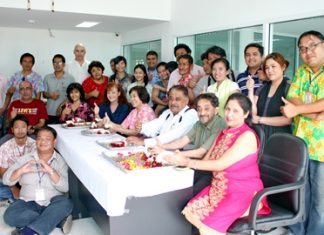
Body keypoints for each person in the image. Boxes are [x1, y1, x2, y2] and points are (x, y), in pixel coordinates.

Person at [164, 93, 271, 234]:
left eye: (235, 111)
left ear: (245, 114)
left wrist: (186, 161)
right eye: (227, 109)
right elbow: (207, 161)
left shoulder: (247, 136)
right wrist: (179, 160)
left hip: (242, 192)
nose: (229, 114)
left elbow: (219, 165)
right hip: (219, 189)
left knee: (209, 225)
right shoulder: (224, 132)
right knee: (190, 210)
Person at [281, 30, 324, 235]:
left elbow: (295, 106)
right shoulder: (301, 72)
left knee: (321, 201)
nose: (307, 52)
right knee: (300, 195)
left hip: (322, 149)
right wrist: (315, 111)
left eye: (312, 45)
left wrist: (298, 110)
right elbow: (292, 97)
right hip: (302, 145)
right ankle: (297, 231)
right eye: (303, 49)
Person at [150, 93, 226, 194]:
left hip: (211, 170)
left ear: (216, 110)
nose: (202, 112)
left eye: (207, 109)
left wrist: (169, 153)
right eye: (199, 109)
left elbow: (200, 152)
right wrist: (163, 146)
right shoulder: (199, 124)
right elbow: (182, 142)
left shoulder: (219, 124)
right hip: (196, 164)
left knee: (186, 192)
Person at [3, 126, 73, 235]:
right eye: (40, 138)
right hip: (28, 202)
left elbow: (65, 188)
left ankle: (27, 231)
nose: (43, 142)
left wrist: (50, 171)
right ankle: (56, 220)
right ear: (36, 141)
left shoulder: (60, 161)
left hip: (52, 202)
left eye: (47, 139)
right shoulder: (25, 159)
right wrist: (20, 171)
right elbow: (6, 180)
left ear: (54, 142)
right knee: (9, 216)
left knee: (66, 203)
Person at [127, 85, 198, 146]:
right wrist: (141, 127)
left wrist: (143, 142)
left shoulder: (191, 114)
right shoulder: (167, 112)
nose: (173, 102)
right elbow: (156, 124)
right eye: (171, 98)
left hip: (180, 154)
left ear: (186, 101)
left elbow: (172, 136)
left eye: (177, 99)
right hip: (161, 149)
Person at [247, 52, 292, 141]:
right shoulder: (262, 88)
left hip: (280, 138)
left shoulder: (289, 87)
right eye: (267, 68)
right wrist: (250, 90)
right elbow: (253, 113)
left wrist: (260, 119)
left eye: (273, 66)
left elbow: (288, 120)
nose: (269, 70)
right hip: (260, 135)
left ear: (283, 67)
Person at [0, 115, 36, 203]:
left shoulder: (34, 145)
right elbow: (3, 174)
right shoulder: (5, 147)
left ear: (28, 128)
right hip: (11, 180)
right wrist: (13, 188)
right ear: (12, 130)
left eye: (23, 127)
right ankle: (17, 198)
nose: (20, 130)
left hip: (30, 180)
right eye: (17, 127)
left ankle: (17, 199)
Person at [0, 53, 44, 119]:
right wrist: (4, 108)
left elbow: (38, 97)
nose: (27, 64)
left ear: (33, 64)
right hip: (16, 108)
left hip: (31, 110)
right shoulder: (15, 76)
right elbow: (8, 95)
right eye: (25, 61)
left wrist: (36, 110)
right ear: (21, 63)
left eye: (30, 62)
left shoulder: (37, 77)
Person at [43, 54, 75, 124]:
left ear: (64, 64)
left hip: (65, 111)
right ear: (53, 64)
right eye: (55, 62)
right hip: (49, 112)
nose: (57, 65)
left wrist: (61, 106)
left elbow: (72, 96)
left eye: (59, 62)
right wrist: (50, 95)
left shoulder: (70, 78)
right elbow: (44, 94)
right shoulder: (47, 77)